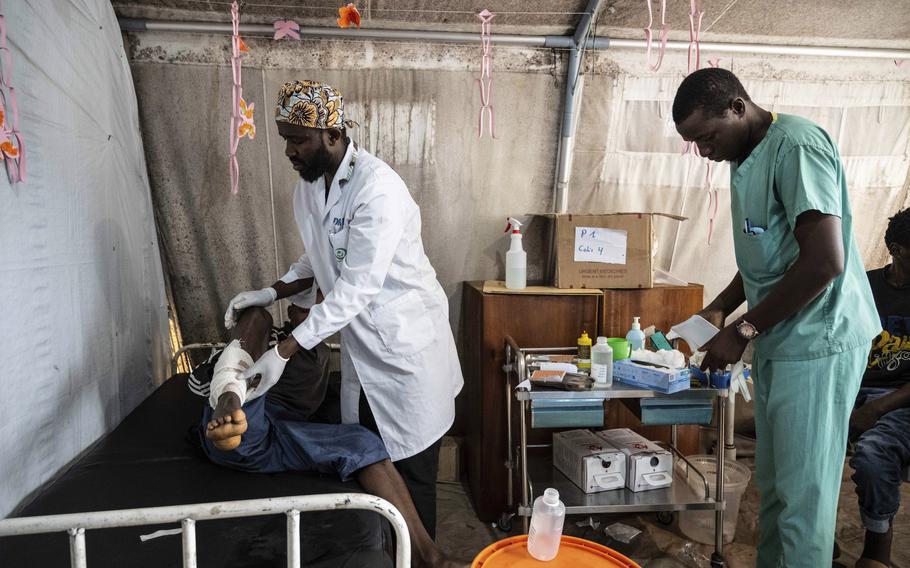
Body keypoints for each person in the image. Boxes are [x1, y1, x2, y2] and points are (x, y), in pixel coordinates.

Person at [222, 80, 464, 539]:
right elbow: (316, 259)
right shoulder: (310, 188)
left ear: (332, 134)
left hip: (407, 354)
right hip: (366, 349)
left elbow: (357, 288)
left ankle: (423, 557)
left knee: (411, 476)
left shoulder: (378, 190)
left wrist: (285, 351)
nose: (290, 151)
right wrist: (269, 293)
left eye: (299, 139)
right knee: (372, 464)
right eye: (285, 139)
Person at [672, 68, 880, 567]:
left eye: (706, 137)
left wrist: (744, 328)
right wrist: (723, 305)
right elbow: (768, 250)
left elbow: (824, 262)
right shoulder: (743, 154)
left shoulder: (797, 148)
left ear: (738, 107)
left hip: (819, 341)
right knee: (776, 487)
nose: (703, 152)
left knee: (802, 498)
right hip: (782, 339)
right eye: (694, 143)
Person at [203, 306, 463, 568]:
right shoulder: (270, 334)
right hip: (246, 412)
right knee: (257, 315)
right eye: (309, 304)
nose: (316, 309)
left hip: (284, 433)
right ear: (291, 309)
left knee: (363, 444)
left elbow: (309, 404)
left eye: (321, 305)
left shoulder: (318, 354)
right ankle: (229, 395)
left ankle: (427, 553)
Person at [848, 208, 910, 568]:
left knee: (872, 457)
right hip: (853, 390)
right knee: (802, 450)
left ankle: (877, 552)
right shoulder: (864, 285)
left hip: (901, 399)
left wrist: (875, 408)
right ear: (897, 249)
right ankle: (817, 537)